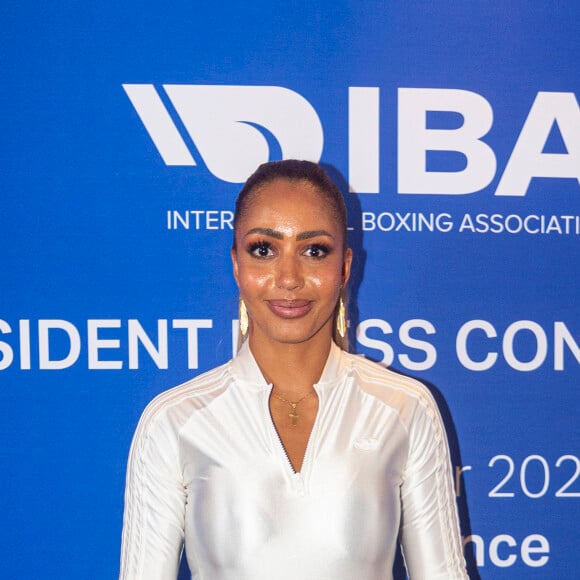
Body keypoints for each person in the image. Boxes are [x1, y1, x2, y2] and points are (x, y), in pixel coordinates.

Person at [119, 160, 468, 579]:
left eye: (314, 250)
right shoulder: (175, 421)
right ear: (237, 265)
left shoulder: (404, 408)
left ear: (344, 267)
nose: (288, 277)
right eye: (264, 250)